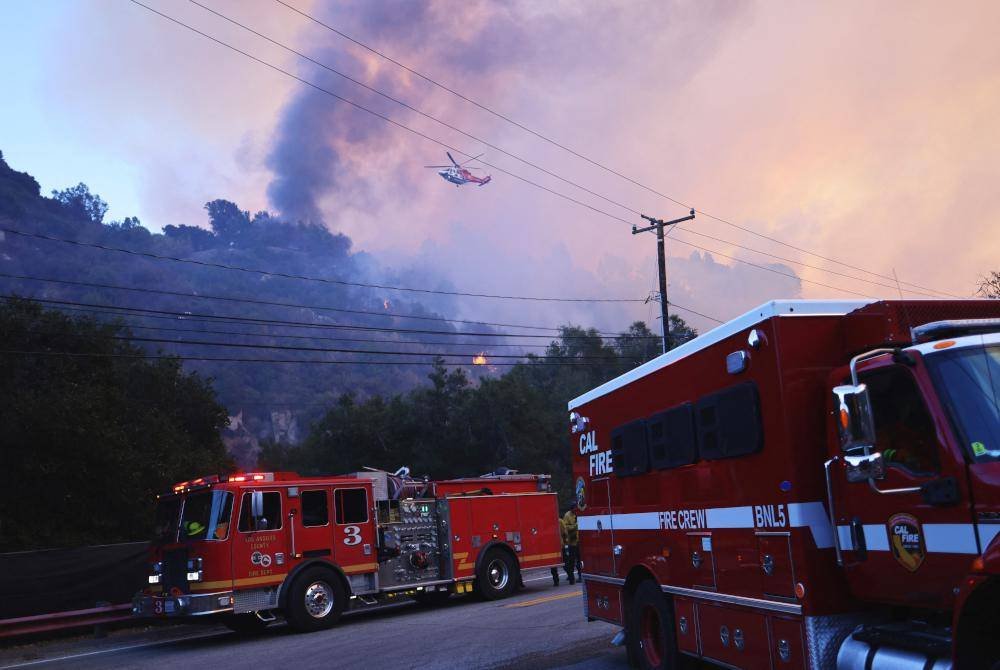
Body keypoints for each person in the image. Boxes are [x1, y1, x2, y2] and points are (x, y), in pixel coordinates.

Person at [563, 504, 581, 582]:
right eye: (574, 509)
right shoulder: (567, 515)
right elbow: (565, 527)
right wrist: (575, 526)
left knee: (580, 560)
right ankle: (571, 577)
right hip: (572, 541)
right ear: (571, 509)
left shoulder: (579, 513)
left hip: (579, 541)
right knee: (571, 561)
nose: (576, 510)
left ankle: (580, 576)